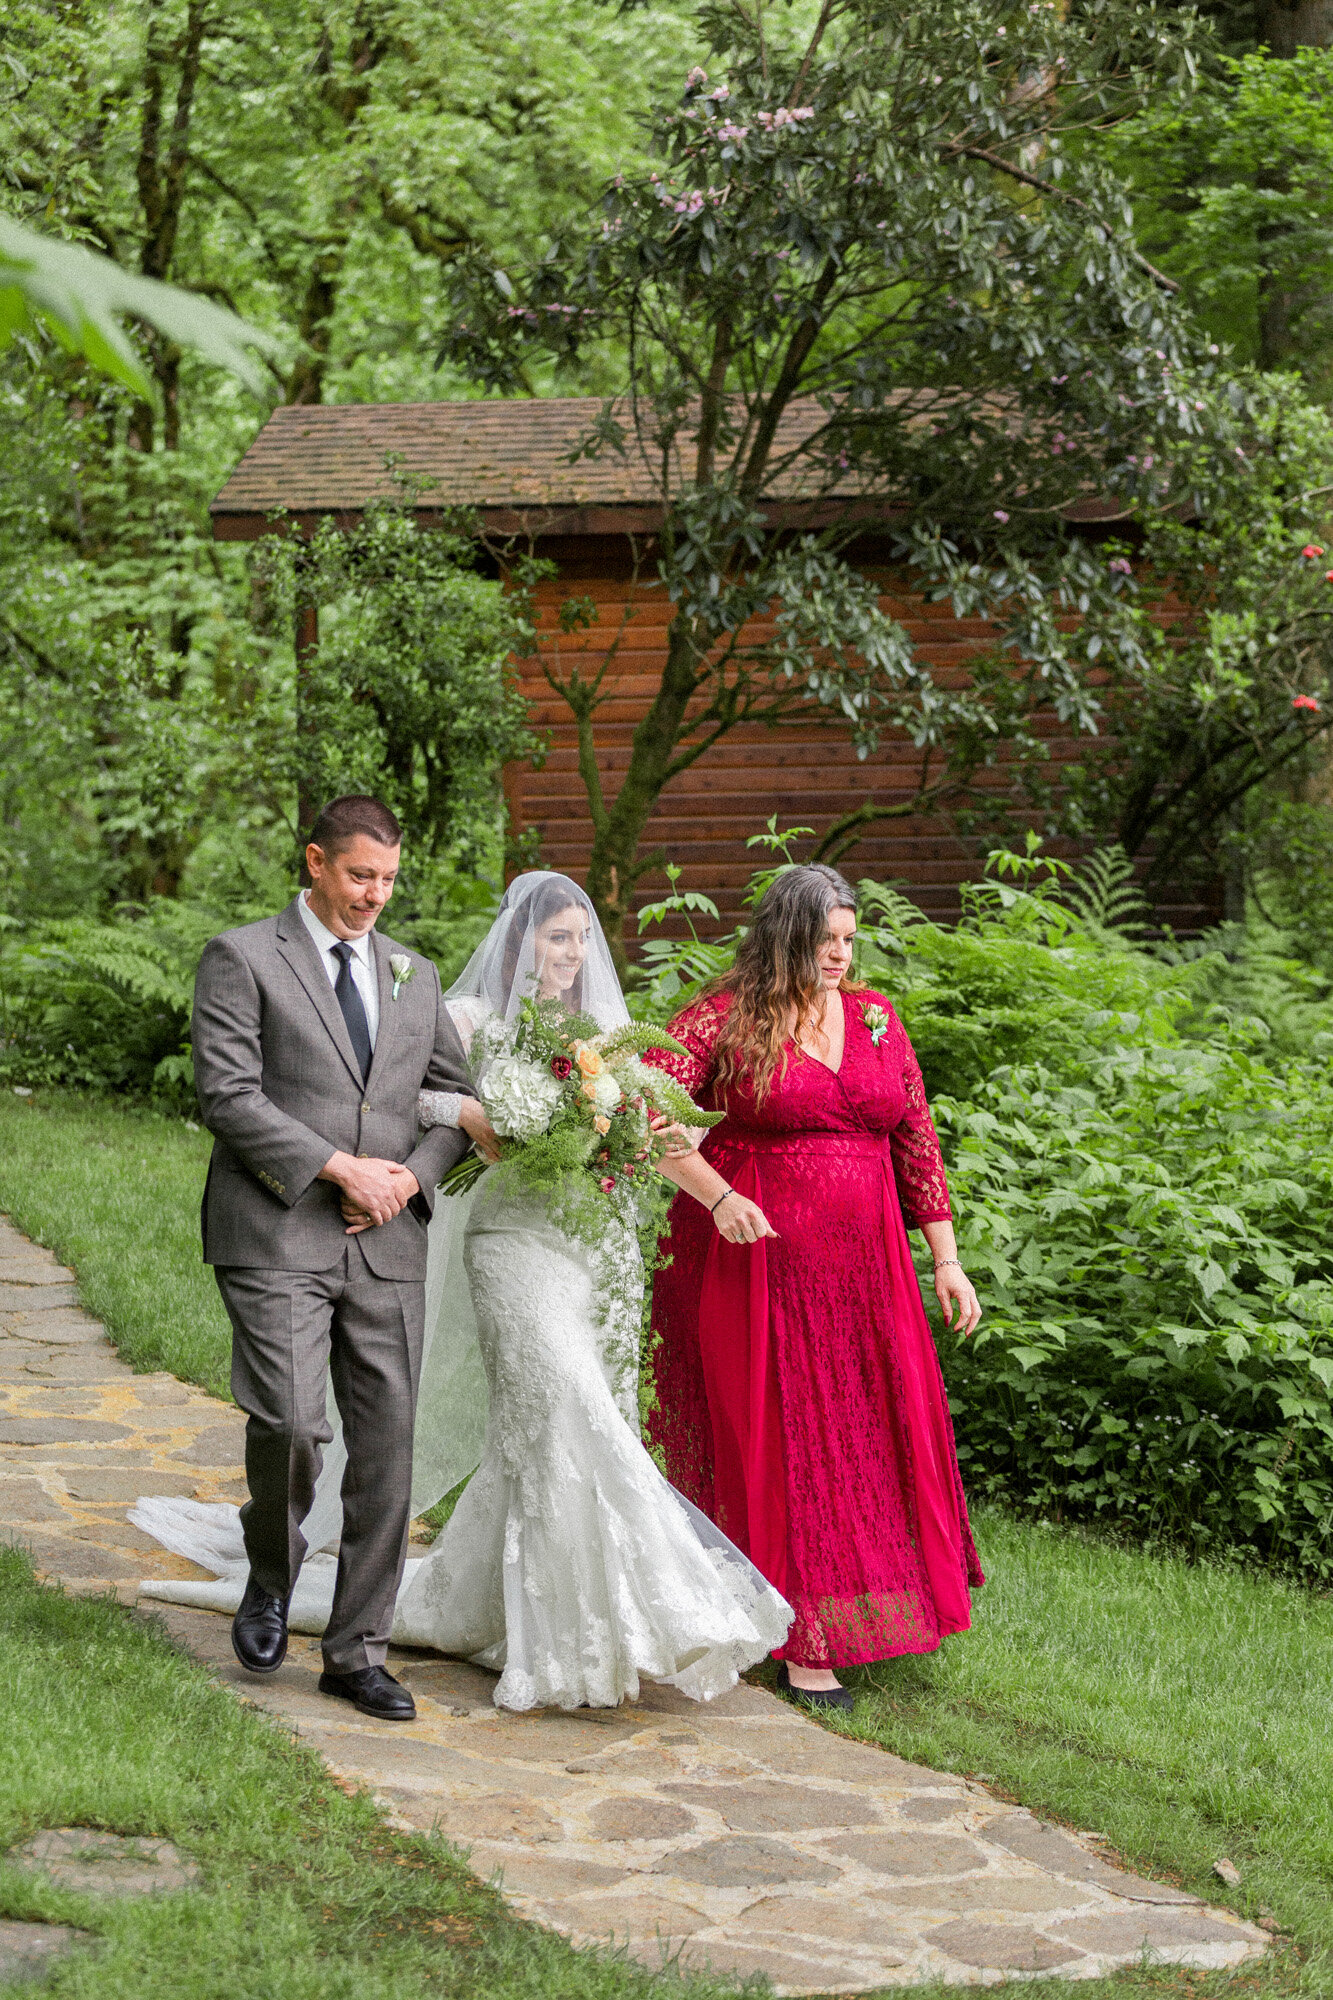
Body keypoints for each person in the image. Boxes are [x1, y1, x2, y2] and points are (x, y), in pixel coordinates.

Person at [137, 870, 790, 1713]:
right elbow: (407, 1095)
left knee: (560, 1430)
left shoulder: (610, 1036)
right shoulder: (470, 1016)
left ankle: (550, 1612)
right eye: (557, 937)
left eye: (582, 938)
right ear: (521, 942)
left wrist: (714, 1191)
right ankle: (648, 1610)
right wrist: (478, 1125)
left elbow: (651, 1135)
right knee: (566, 1406)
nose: (573, 953)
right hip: (512, 1245)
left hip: (592, 1251)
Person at [646, 863, 984, 1711]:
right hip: (755, 1261)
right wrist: (717, 1196)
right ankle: (802, 1644)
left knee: (864, 1429)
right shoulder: (723, 1016)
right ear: (782, 935)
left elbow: (914, 1136)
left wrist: (944, 1256)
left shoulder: (874, 1018)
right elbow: (640, 1111)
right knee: (786, 1431)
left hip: (867, 1270)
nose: (839, 955)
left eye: (847, 939)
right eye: (822, 940)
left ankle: (852, 1609)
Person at [183, 794, 476, 1722]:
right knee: (291, 1423)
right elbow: (226, 1093)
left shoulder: (414, 976)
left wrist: (406, 1181)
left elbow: (456, 1101)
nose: (374, 896)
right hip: (276, 1229)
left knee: (386, 1447)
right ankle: (271, 1570)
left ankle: (356, 1652)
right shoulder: (241, 958)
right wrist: (335, 1167)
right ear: (314, 862)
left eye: (387, 880)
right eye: (359, 876)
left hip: (387, 1239)